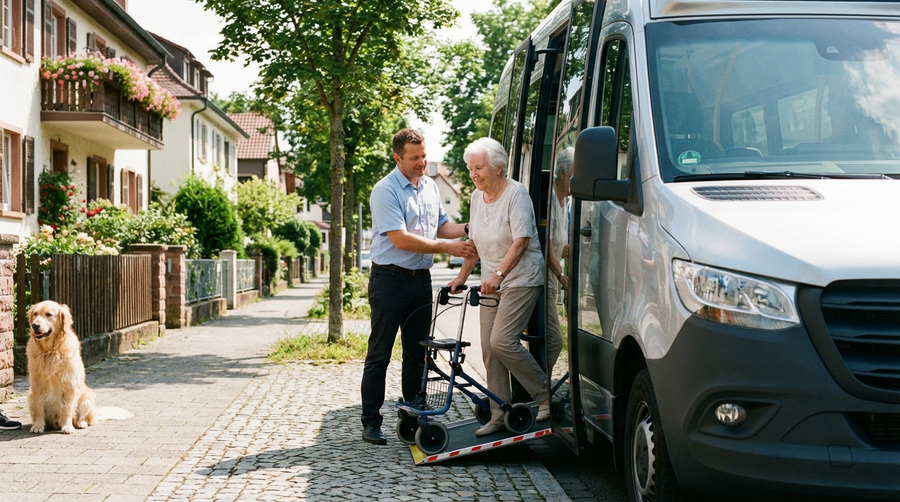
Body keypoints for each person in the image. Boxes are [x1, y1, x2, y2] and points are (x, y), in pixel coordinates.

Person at [361, 129, 476, 445]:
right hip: (388, 282)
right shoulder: (385, 191)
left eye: (424, 155)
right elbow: (401, 238)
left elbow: (443, 226)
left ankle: (413, 412)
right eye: (415, 158)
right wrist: (447, 248)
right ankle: (371, 422)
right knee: (380, 353)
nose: (422, 163)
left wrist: (469, 226)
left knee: (418, 353)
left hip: (420, 283)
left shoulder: (429, 187)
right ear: (398, 158)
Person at [447, 137, 551, 437]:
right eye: (470, 169)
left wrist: (499, 275)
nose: (474, 174)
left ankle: (544, 396)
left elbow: (522, 241)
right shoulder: (478, 198)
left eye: (479, 168)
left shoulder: (516, 194)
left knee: (502, 341)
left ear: (498, 168)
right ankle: (499, 413)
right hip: (492, 281)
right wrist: (462, 277)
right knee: (489, 350)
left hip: (520, 277)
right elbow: (475, 243)